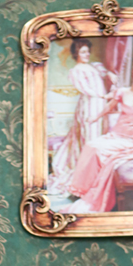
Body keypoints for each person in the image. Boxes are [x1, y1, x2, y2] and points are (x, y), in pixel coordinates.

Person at [69, 59, 133, 213]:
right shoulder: (122, 92)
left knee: (99, 150)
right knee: (90, 146)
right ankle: (81, 189)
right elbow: (108, 107)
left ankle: (92, 192)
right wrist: (95, 118)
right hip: (117, 134)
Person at [49, 39, 115, 195]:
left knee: (99, 137)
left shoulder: (93, 66)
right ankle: (86, 178)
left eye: (88, 51)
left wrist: (110, 74)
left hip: (100, 105)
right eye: (83, 52)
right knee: (90, 139)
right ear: (76, 53)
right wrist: (104, 96)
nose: (87, 54)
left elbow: (104, 72)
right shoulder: (76, 71)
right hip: (89, 106)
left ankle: (97, 175)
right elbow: (85, 89)